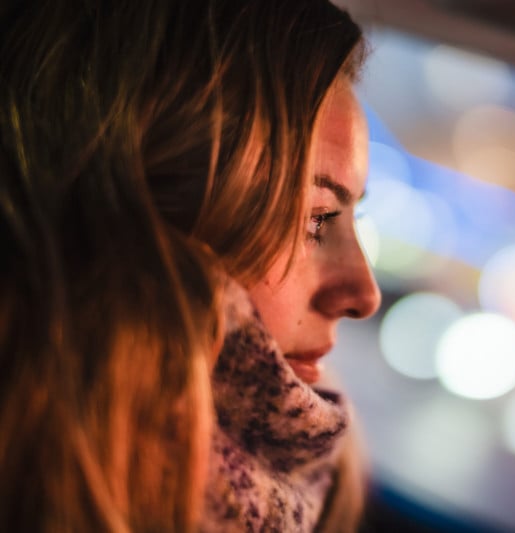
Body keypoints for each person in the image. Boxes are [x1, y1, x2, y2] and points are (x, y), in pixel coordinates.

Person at [0, 0, 379, 530]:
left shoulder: (319, 484)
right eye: (314, 219)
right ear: (135, 218)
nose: (365, 294)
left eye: (354, 218)